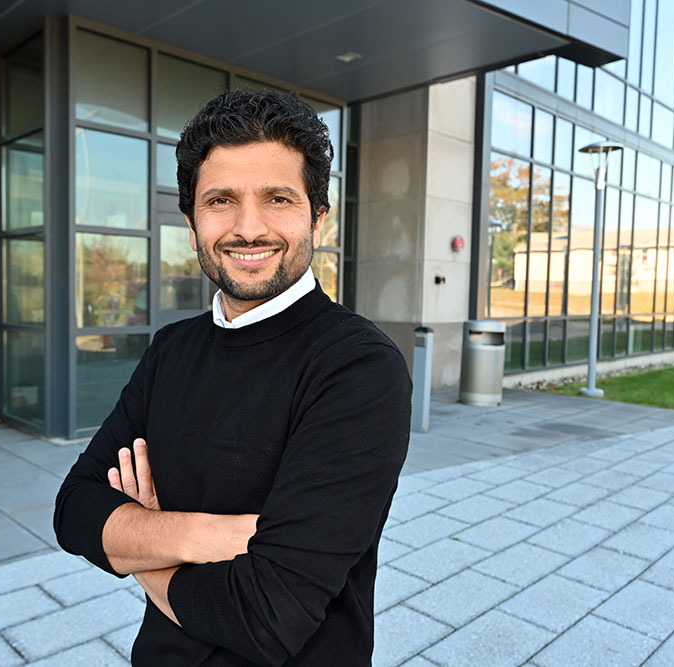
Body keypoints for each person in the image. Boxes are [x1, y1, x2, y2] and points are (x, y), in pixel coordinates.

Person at [54, 89, 412, 666]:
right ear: (192, 221)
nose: (249, 228)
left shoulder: (358, 366)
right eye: (221, 200)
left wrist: (144, 545)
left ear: (318, 218)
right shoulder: (171, 349)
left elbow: (268, 617)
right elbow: (74, 511)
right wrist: (219, 537)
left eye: (277, 198)